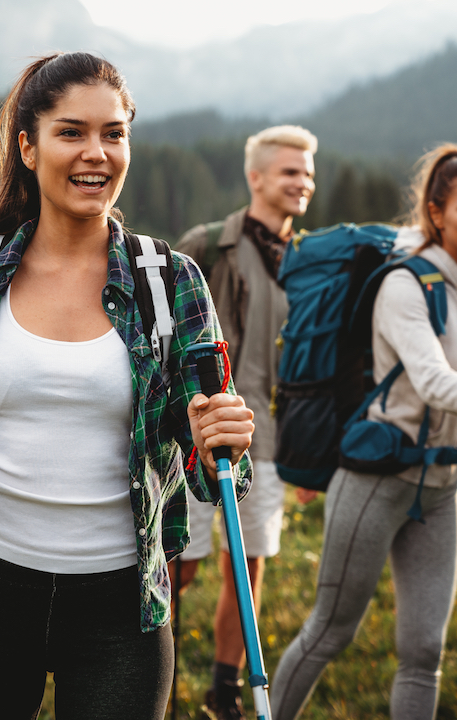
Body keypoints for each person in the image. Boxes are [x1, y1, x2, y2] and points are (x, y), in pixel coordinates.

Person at [0, 52, 254, 720]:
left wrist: (219, 444)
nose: (97, 153)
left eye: (113, 133)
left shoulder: (169, 281)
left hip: (122, 605)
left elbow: (214, 467)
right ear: (28, 147)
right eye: (72, 132)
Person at [269, 145, 457, 719]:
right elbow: (434, 382)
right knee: (331, 632)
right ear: (436, 213)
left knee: (425, 651)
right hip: (378, 477)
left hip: (442, 485)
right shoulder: (405, 285)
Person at [171, 125, 319, 720]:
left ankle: (226, 690)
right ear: (255, 177)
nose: (302, 182)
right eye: (290, 171)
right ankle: (158, 671)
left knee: (248, 561)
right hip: (199, 435)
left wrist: (307, 451)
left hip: (272, 439)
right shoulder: (207, 246)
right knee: (178, 562)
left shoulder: (311, 261)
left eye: (309, 172)